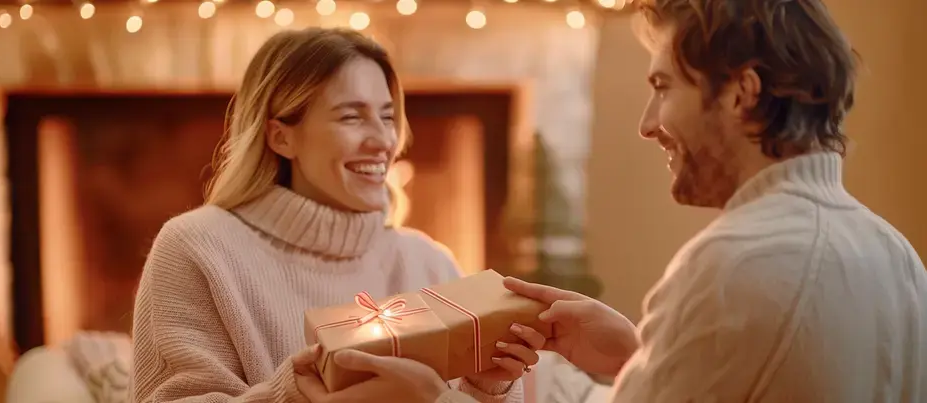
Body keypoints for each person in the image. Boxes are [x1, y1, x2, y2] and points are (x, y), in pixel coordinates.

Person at [322, 0, 927, 401]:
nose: (647, 123)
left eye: (663, 86)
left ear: (742, 93)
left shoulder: (735, 263)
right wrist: (633, 356)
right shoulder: (895, 256)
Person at [130, 27, 545, 403]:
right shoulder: (197, 249)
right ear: (281, 136)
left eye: (387, 116)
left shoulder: (429, 261)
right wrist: (298, 394)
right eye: (351, 116)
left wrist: (486, 386)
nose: (383, 140)